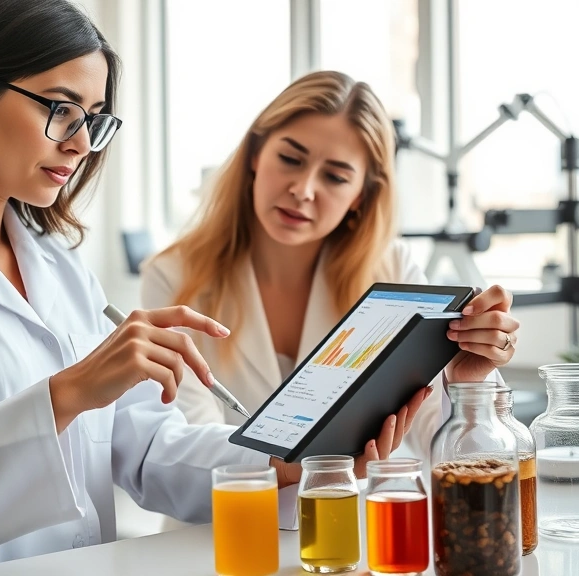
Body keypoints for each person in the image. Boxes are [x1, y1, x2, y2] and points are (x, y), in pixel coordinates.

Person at [0, 2, 426, 575]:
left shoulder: (57, 265)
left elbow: (147, 449)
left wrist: (287, 461)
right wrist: (72, 391)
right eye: (61, 111)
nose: (83, 144)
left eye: (94, 119)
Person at [142, 70, 520, 464]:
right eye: (290, 159)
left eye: (336, 177)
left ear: (361, 195)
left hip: (352, 521)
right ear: (255, 154)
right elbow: (186, 453)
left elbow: (459, 457)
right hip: (222, 523)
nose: (303, 190)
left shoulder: (391, 268)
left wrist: (468, 383)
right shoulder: (174, 276)